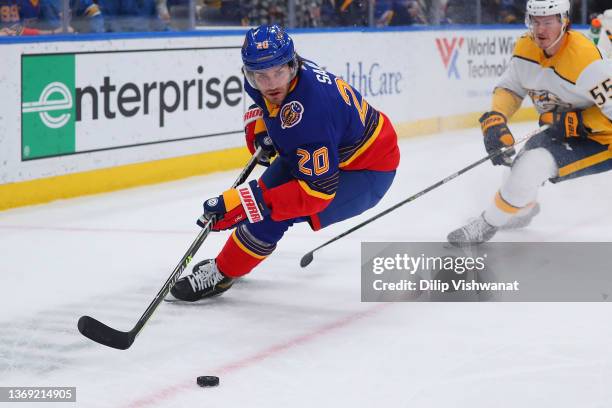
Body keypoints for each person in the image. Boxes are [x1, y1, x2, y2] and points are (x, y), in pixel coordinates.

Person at [170, 24, 400, 301]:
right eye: (261, 76)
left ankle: (221, 274)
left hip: (366, 171)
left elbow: (317, 193)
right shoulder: (279, 76)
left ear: (292, 64)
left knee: (266, 213)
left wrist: (245, 203)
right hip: (331, 148)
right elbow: (263, 102)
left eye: (279, 72)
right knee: (259, 207)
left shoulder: (311, 116)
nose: (272, 84)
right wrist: (261, 127)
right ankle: (232, 263)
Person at [447, 0, 612, 247]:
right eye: (535, 21)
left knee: (532, 165)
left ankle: (487, 224)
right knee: (518, 167)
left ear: (563, 21)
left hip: (601, 140)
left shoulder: (588, 62)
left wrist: (578, 121)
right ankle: (521, 210)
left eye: (547, 22)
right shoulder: (526, 46)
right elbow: (510, 88)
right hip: (559, 126)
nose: (540, 30)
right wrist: (496, 118)